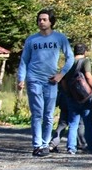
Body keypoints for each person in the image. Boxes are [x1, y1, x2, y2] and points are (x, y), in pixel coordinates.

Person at [16, 9, 74, 158]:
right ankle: (36, 146)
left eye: (44, 19)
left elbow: (70, 58)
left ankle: (45, 144)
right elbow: (24, 60)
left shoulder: (59, 38)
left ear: (51, 22)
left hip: (51, 80)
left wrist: (61, 75)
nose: (41, 22)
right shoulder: (31, 40)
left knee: (48, 115)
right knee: (37, 113)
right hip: (34, 78)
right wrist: (21, 78)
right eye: (39, 19)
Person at [63, 44, 92, 156]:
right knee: (88, 122)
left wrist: (68, 92)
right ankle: (91, 148)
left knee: (73, 123)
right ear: (85, 52)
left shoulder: (69, 62)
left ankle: (71, 148)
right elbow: (88, 76)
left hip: (72, 96)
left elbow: (63, 80)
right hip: (85, 97)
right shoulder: (85, 61)